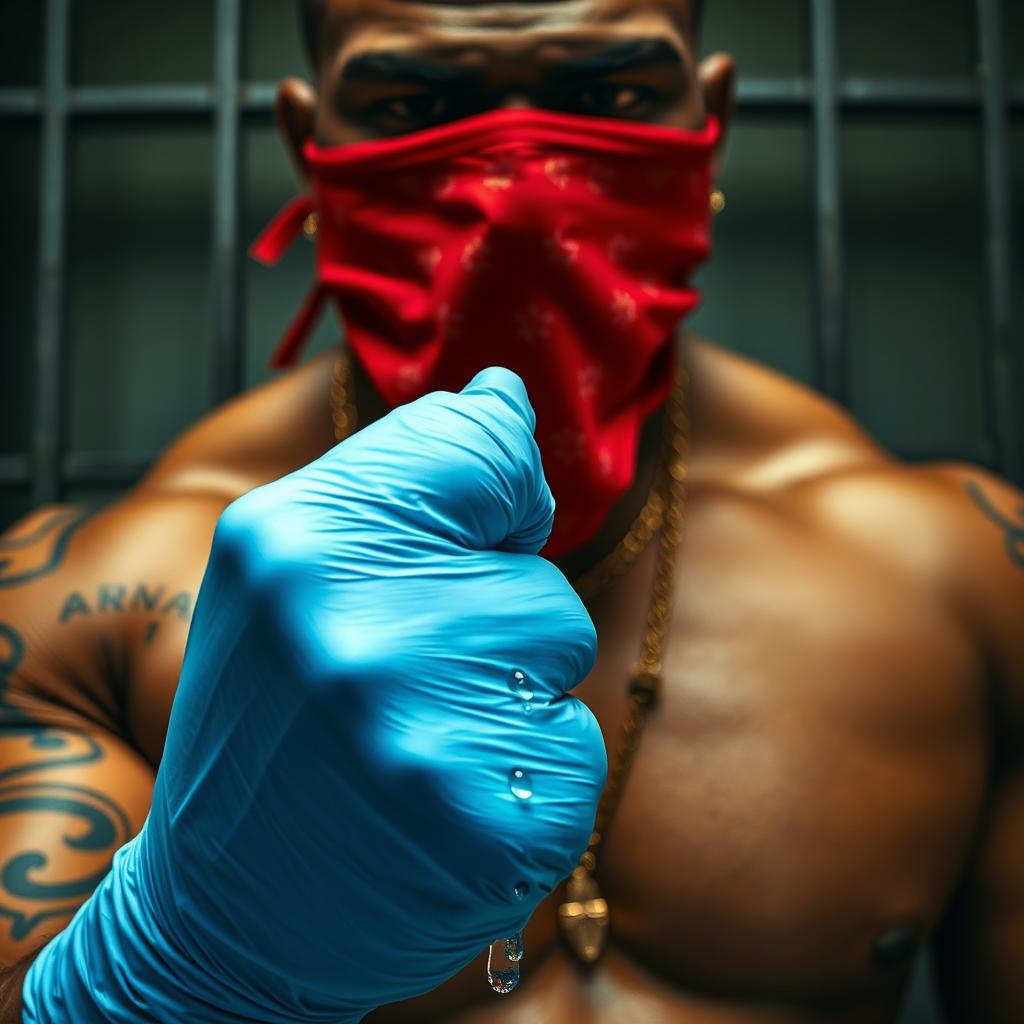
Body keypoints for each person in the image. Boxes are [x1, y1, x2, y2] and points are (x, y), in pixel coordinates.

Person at [1, 0, 1022, 1020]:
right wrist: (172, 963)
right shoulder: (103, 600)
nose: (520, 197)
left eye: (607, 97)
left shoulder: (955, 573)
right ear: (307, 143)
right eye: (416, 103)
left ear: (707, 122)